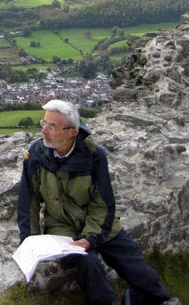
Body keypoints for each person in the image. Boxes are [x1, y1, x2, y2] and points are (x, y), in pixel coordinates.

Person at [17, 99, 175, 305]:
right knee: (88, 263)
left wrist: (91, 238)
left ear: (72, 132)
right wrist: (29, 241)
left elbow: (103, 203)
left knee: (131, 260)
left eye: (52, 126)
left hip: (99, 223)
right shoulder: (35, 155)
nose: (44, 131)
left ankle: (160, 299)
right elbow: (28, 201)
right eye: (43, 123)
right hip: (62, 226)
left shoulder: (94, 156)